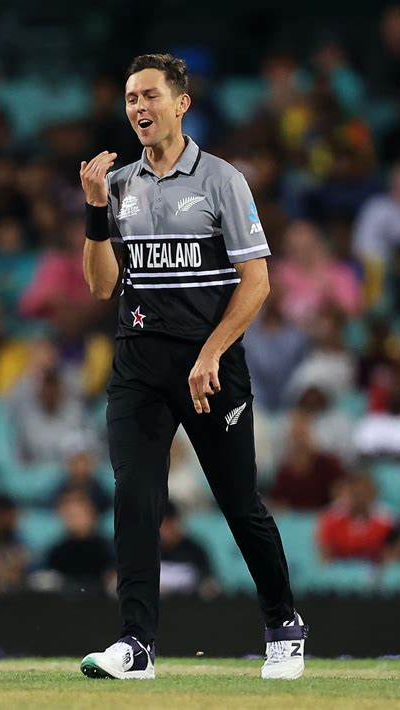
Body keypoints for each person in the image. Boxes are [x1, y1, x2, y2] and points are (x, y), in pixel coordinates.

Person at [78, 54, 307, 682]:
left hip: (210, 371)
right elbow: (102, 287)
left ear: (182, 103)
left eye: (149, 95)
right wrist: (96, 209)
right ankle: (136, 643)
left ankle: (283, 622)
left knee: (239, 504)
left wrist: (210, 353)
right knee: (137, 499)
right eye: (129, 99)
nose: (137, 108)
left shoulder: (222, 181)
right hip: (138, 364)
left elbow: (257, 282)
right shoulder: (119, 185)